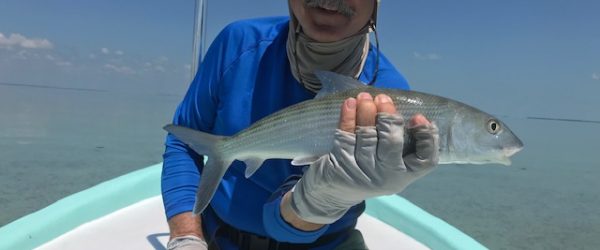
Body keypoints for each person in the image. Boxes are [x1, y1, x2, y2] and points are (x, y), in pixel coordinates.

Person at [162, 0, 440, 249]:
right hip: (219, 239)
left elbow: (284, 224)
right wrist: (186, 237)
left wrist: (321, 200)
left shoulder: (391, 100)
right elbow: (183, 144)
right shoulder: (238, 43)